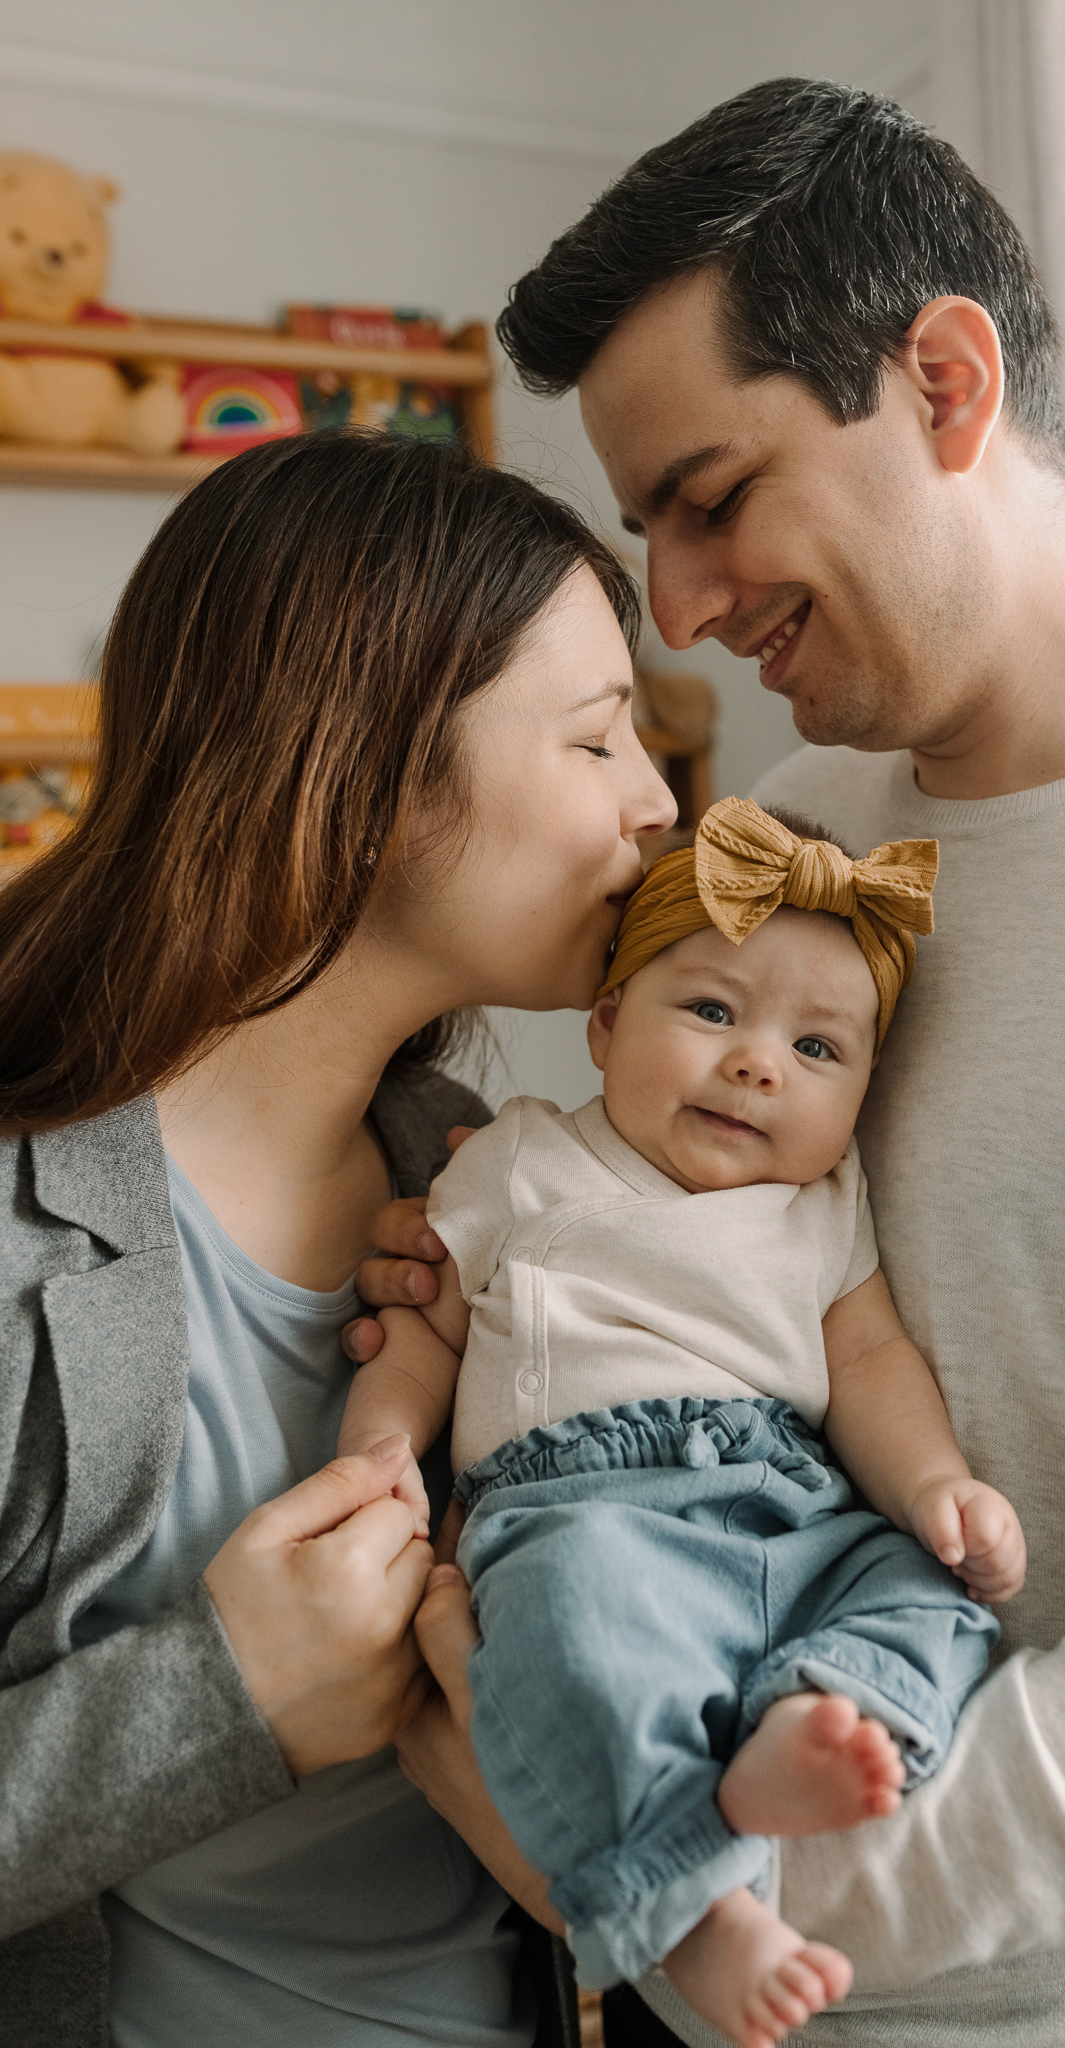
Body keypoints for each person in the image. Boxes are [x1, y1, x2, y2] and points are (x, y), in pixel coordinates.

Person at [355, 78, 1065, 2048]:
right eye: (647, 528)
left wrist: (644, 1869)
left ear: (945, 383)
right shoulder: (795, 831)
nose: (674, 605)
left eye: (711, 496)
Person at [0, 431, 675, 2045]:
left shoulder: (489, 1177)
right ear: (362, 767)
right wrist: (220, 1698)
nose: (659, 801)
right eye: (596, 738)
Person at [338, 796, 1024, 2048]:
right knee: (580, 1640)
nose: (760, 1062)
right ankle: (694, 1906)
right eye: (711, 1010)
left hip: (795, 1505)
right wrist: (379, 1455)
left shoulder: (826, 1201)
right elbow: (425, 1326)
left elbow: (870, 1358)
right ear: (605, 1024)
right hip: (585, 1503)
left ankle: (813, 1714)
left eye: (818, 1047)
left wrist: (936, 1486)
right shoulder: (520, 1160)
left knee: (935, 1600)